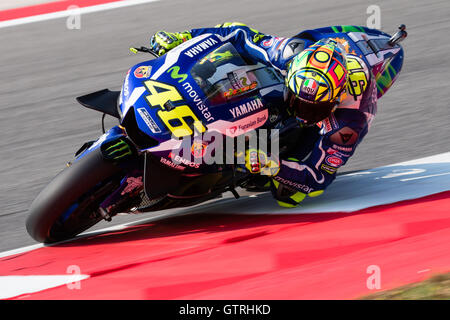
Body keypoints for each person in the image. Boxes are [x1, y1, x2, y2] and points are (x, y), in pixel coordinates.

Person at [150, 22, 377, 208]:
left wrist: (273, 166)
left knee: (288, 195)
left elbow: (317, 179)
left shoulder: (350, 120)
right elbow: (237, 33)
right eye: (299, 102)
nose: (304, 113)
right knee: (237, 62)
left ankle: (257, 161)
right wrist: (183, 37)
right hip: (304, 66)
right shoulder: (287, 53)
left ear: (335, 100)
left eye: (314, 108)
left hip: (336, 113)